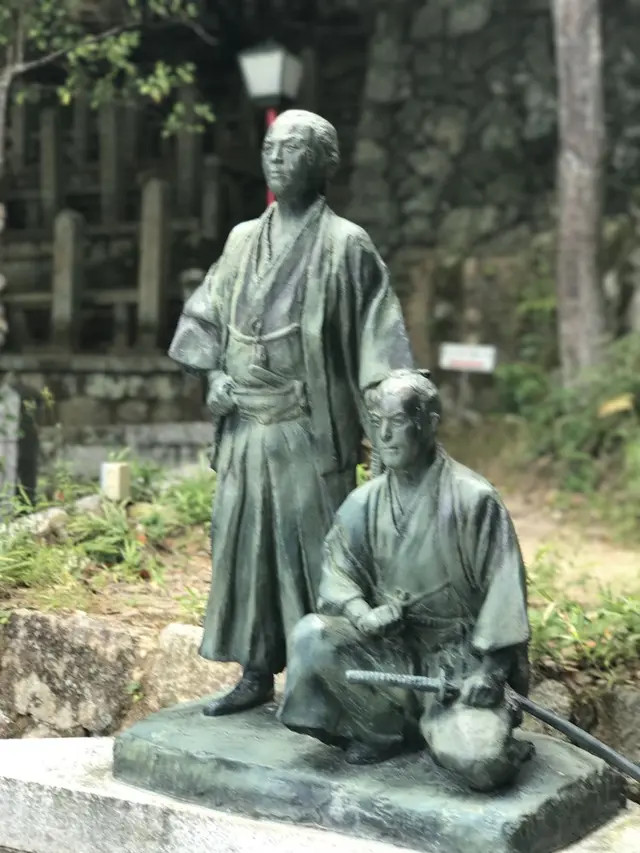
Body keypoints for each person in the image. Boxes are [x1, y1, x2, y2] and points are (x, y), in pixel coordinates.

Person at [168, 110, 414, 717]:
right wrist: (215, 376)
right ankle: (255, 671)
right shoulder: (241, 239)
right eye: (270, 147)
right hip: (244, 426)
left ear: (326, 162)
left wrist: (389, 430)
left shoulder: (346, 244)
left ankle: (328, 687)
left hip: (308, 430)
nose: (277, 158)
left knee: (317, 556)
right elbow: (204, 319)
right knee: (245, 552)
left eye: (294, 147)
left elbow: (377, 344)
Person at [279, 369, 534, 792]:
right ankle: (383, 731)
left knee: (482, 766)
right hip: (388, 653)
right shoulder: (365, 501)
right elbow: (339, 572)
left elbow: (504, 592)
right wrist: (363, 614)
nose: (384, 435)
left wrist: (491, 672)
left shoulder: (473, 499)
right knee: (312, 636)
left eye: (397, 421)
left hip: (457, 667)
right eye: (376, 422)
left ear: (429, 423)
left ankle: (490, 739)